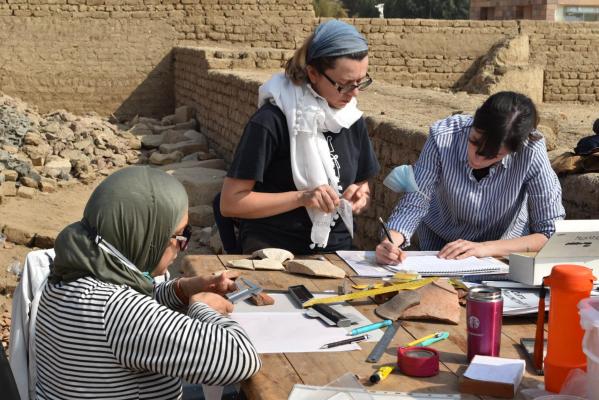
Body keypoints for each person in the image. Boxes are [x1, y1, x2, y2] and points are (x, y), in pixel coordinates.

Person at [34, 166, 261, 399]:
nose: (183, 246)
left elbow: (133, 306)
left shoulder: (68, 274)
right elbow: (240, 359)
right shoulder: (117, 312)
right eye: (179, 235)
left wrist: (182, 290)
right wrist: (204, 309)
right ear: (145, 235)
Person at [220, 20, 380, 254]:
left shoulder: (350, 118)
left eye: (360, 82)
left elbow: (362, 183)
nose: (354, 93)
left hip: (337, 250)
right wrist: (303, 197)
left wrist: (360, 195)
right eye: (344, 85)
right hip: (274, 249)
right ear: (313, 73)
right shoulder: (272, 121)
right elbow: (231, 202)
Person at [376, 91, 565, 264]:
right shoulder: (444, 136)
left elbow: (550, 232)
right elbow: (415, 201)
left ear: (513, 150)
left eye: (492, 156)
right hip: (441, 246)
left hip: (502, 250)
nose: (476, 159)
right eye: (474, 142)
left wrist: (484, 248)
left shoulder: (531, 151)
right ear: (474, 122)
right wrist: (390, 242)